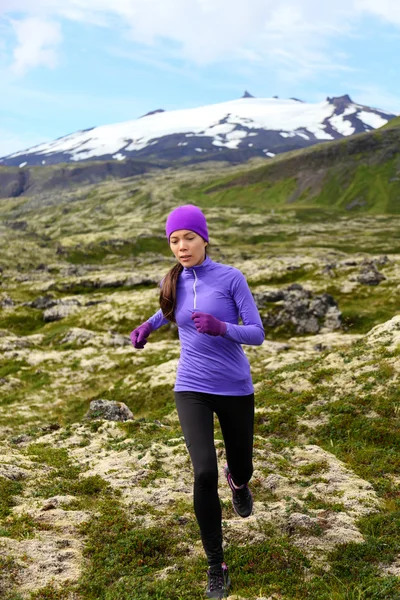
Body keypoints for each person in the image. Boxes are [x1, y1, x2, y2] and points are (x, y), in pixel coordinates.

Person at [130, 204, 264, 599]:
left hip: (236, 388)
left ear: (204, 238)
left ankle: (238, 481)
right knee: (203, 471)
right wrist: (148, 326)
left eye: (189, 237)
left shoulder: (231, 278)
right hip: (191, 386)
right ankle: (215, 565)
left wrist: (224, 328)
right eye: (174, 240)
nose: (182, 246)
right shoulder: (173, 280)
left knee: (243, 465)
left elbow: (256, 333)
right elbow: (168, 310)